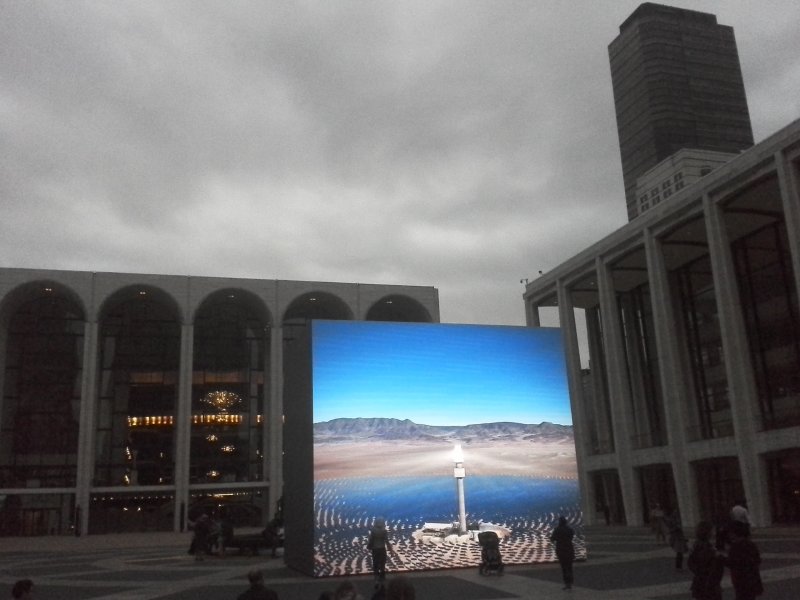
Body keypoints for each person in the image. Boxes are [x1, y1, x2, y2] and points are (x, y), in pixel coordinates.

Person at [724, 520, 763, 600]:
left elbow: (732, 563)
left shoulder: (735, 547)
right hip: (752, 579)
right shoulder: (751, 544)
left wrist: (721, 558)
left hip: (741, 580)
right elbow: (757, 560)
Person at [688, 521, 723, 600]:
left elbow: (690, 563)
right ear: (708, 532)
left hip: (700, 583)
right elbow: (713, 567)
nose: (714, 532)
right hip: (709, 584)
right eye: (712, 530)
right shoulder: (706, 548)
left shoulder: (696, 546)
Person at [550, 515, 576, 590]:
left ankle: (566, 583)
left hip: (561, 550)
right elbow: (571, 537)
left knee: (564, 568)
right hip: (569, 549)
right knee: (570, 567)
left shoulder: (557, 530)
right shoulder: (570, 529)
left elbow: (552, 539)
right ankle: (570, 582)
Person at [367, 517, 393, 583]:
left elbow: (371, 540)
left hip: (375, 549)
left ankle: (376, 578)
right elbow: (387, 541)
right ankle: (382, 579)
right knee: (382, 564)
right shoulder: (384, 531)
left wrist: (369, 546)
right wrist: (391, 550)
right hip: (382, 549)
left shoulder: (373, 531)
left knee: (375, 563)